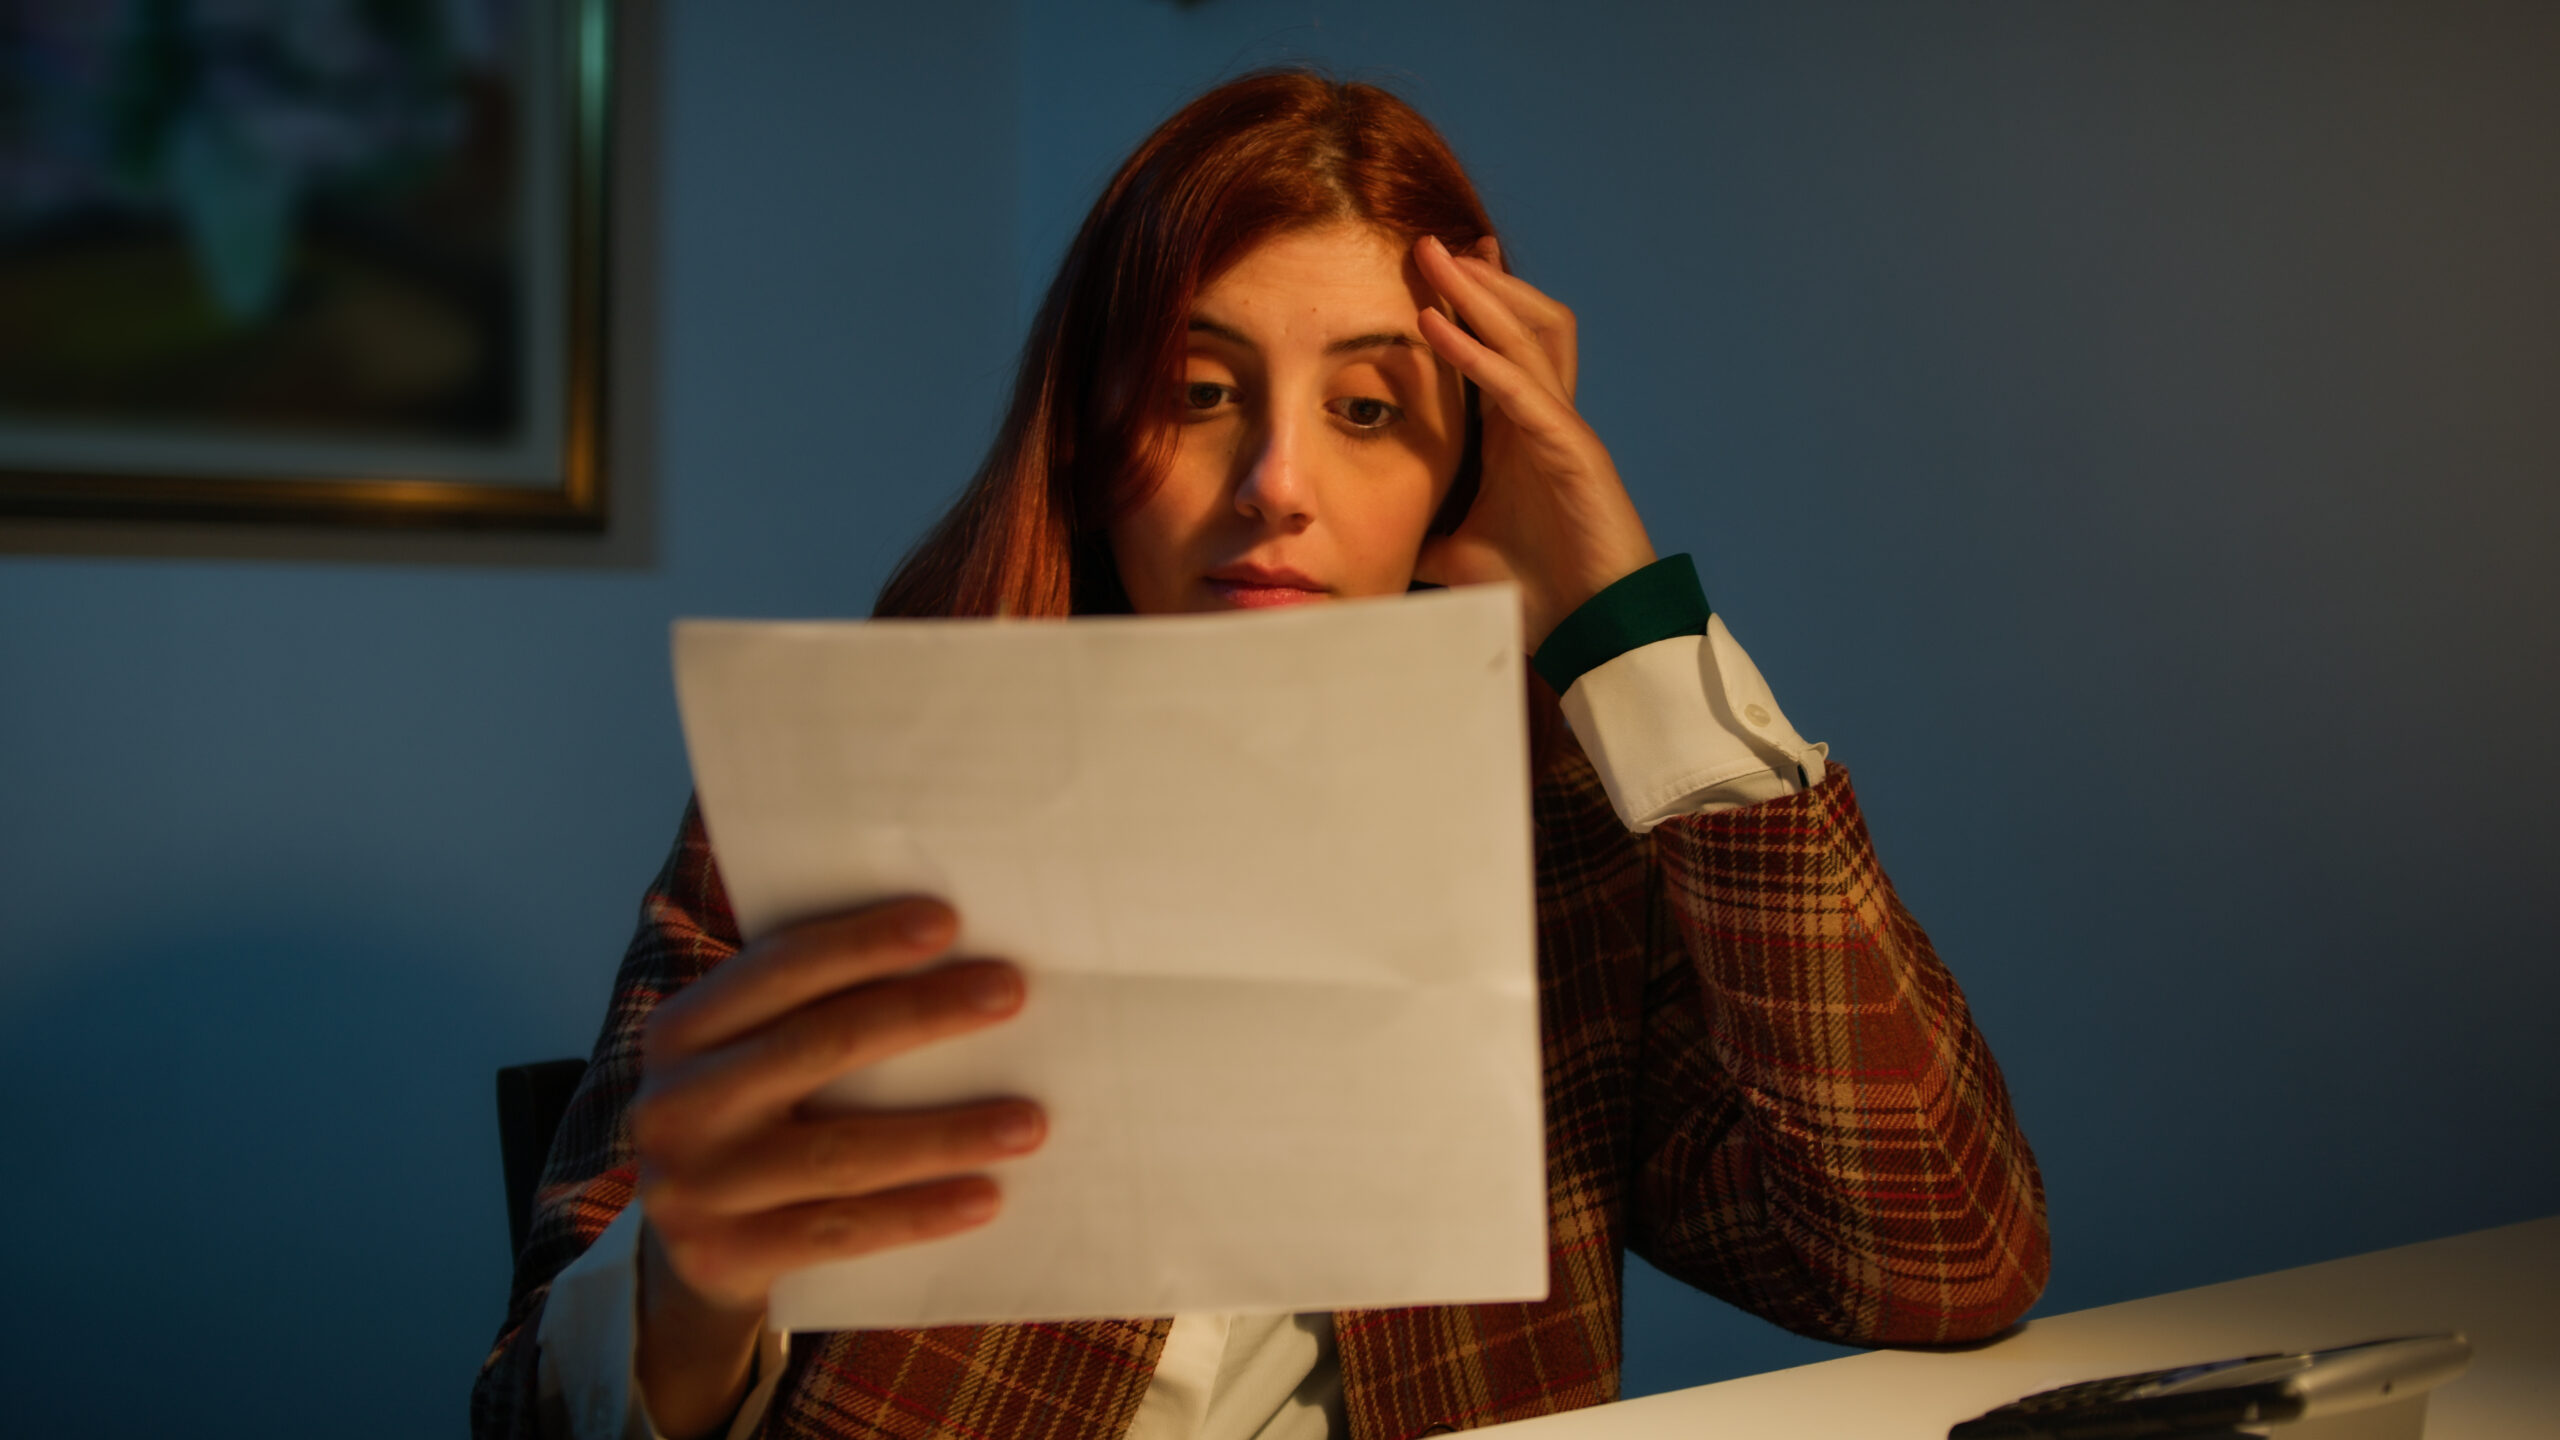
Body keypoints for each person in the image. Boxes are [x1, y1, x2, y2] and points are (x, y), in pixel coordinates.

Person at [473, 68, 2049, 1440]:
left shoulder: (1556, 840)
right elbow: (530, 1408)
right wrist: (688, 1296)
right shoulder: (853, 796)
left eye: (1369, 409)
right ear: (1092, 437)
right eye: (1200, 392)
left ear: (1464, 466)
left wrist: (1622, 627)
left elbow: (1934, 1255)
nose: (1277, 482)